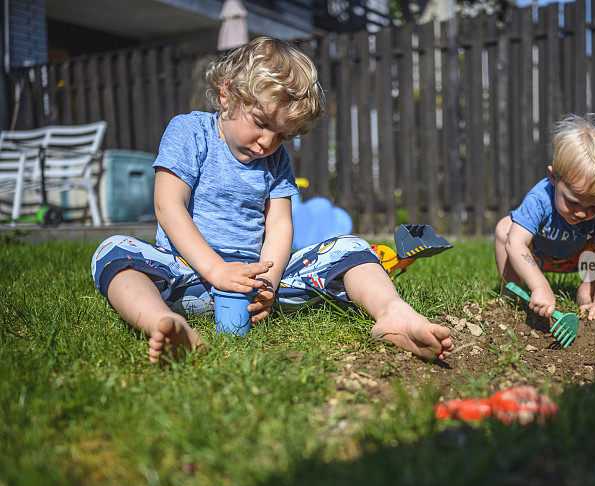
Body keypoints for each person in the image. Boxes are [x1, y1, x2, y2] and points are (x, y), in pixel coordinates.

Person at [91, 38, 452, 363]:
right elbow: (169, 206)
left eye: (282, 135)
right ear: (227, 94)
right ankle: (165, 323)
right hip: (185, 274)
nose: (267, 142)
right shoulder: (190, 132)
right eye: (260, 122)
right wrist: (217, 271)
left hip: (256, 283)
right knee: (114, 250)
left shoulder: (275, 159)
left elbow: (280, 224)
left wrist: (269, 284)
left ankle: (392, 313)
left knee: (351, 247)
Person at [494, 113, 595, 321]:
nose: (582, 213)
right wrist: (539, 286)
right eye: (572, 202)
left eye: (594, 205)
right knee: (505, 229)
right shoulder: (540, 200)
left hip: (579, 258)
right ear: (553, 177)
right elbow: (515, 243)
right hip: (536, 257)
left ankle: (587, 289)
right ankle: (511, 292)